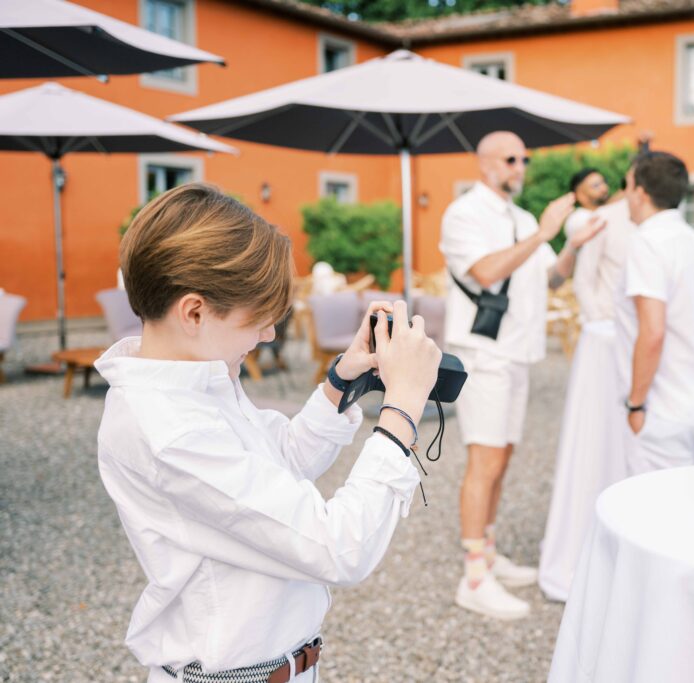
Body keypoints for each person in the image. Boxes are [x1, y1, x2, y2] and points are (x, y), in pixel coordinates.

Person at [95, 183, 441, 682]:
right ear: (194, 311)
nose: (269, 335)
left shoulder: (196, 376)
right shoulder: (168, 428)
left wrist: (340, 383)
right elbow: (338, 548)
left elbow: (279, 462)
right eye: (257, 318)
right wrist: (403, 409)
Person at [440, 131, 604, 620]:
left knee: (504, 457)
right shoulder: (464, 213)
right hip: (484, 353)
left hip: (518, 353)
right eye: (511, 159)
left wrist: (570, 245)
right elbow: (486, 273)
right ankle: (473, 576)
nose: (521, 166)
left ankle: (488, 553)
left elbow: (550, 278)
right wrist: (544, 234)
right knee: (484, 460)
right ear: (484, 163)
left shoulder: (525, 217)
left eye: (524, 158)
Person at [538, 190, 634, 602]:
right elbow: (577, 277)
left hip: (632, 336)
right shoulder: (602, 222)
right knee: (594, 439)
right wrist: (601, 317)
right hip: (605, 335)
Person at [616, 151, 694, 475]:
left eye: (627, 184)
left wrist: (636, 404)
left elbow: (652, 331)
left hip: (663, 407)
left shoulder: (647, 243)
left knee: (655, 516)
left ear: (640, 192)